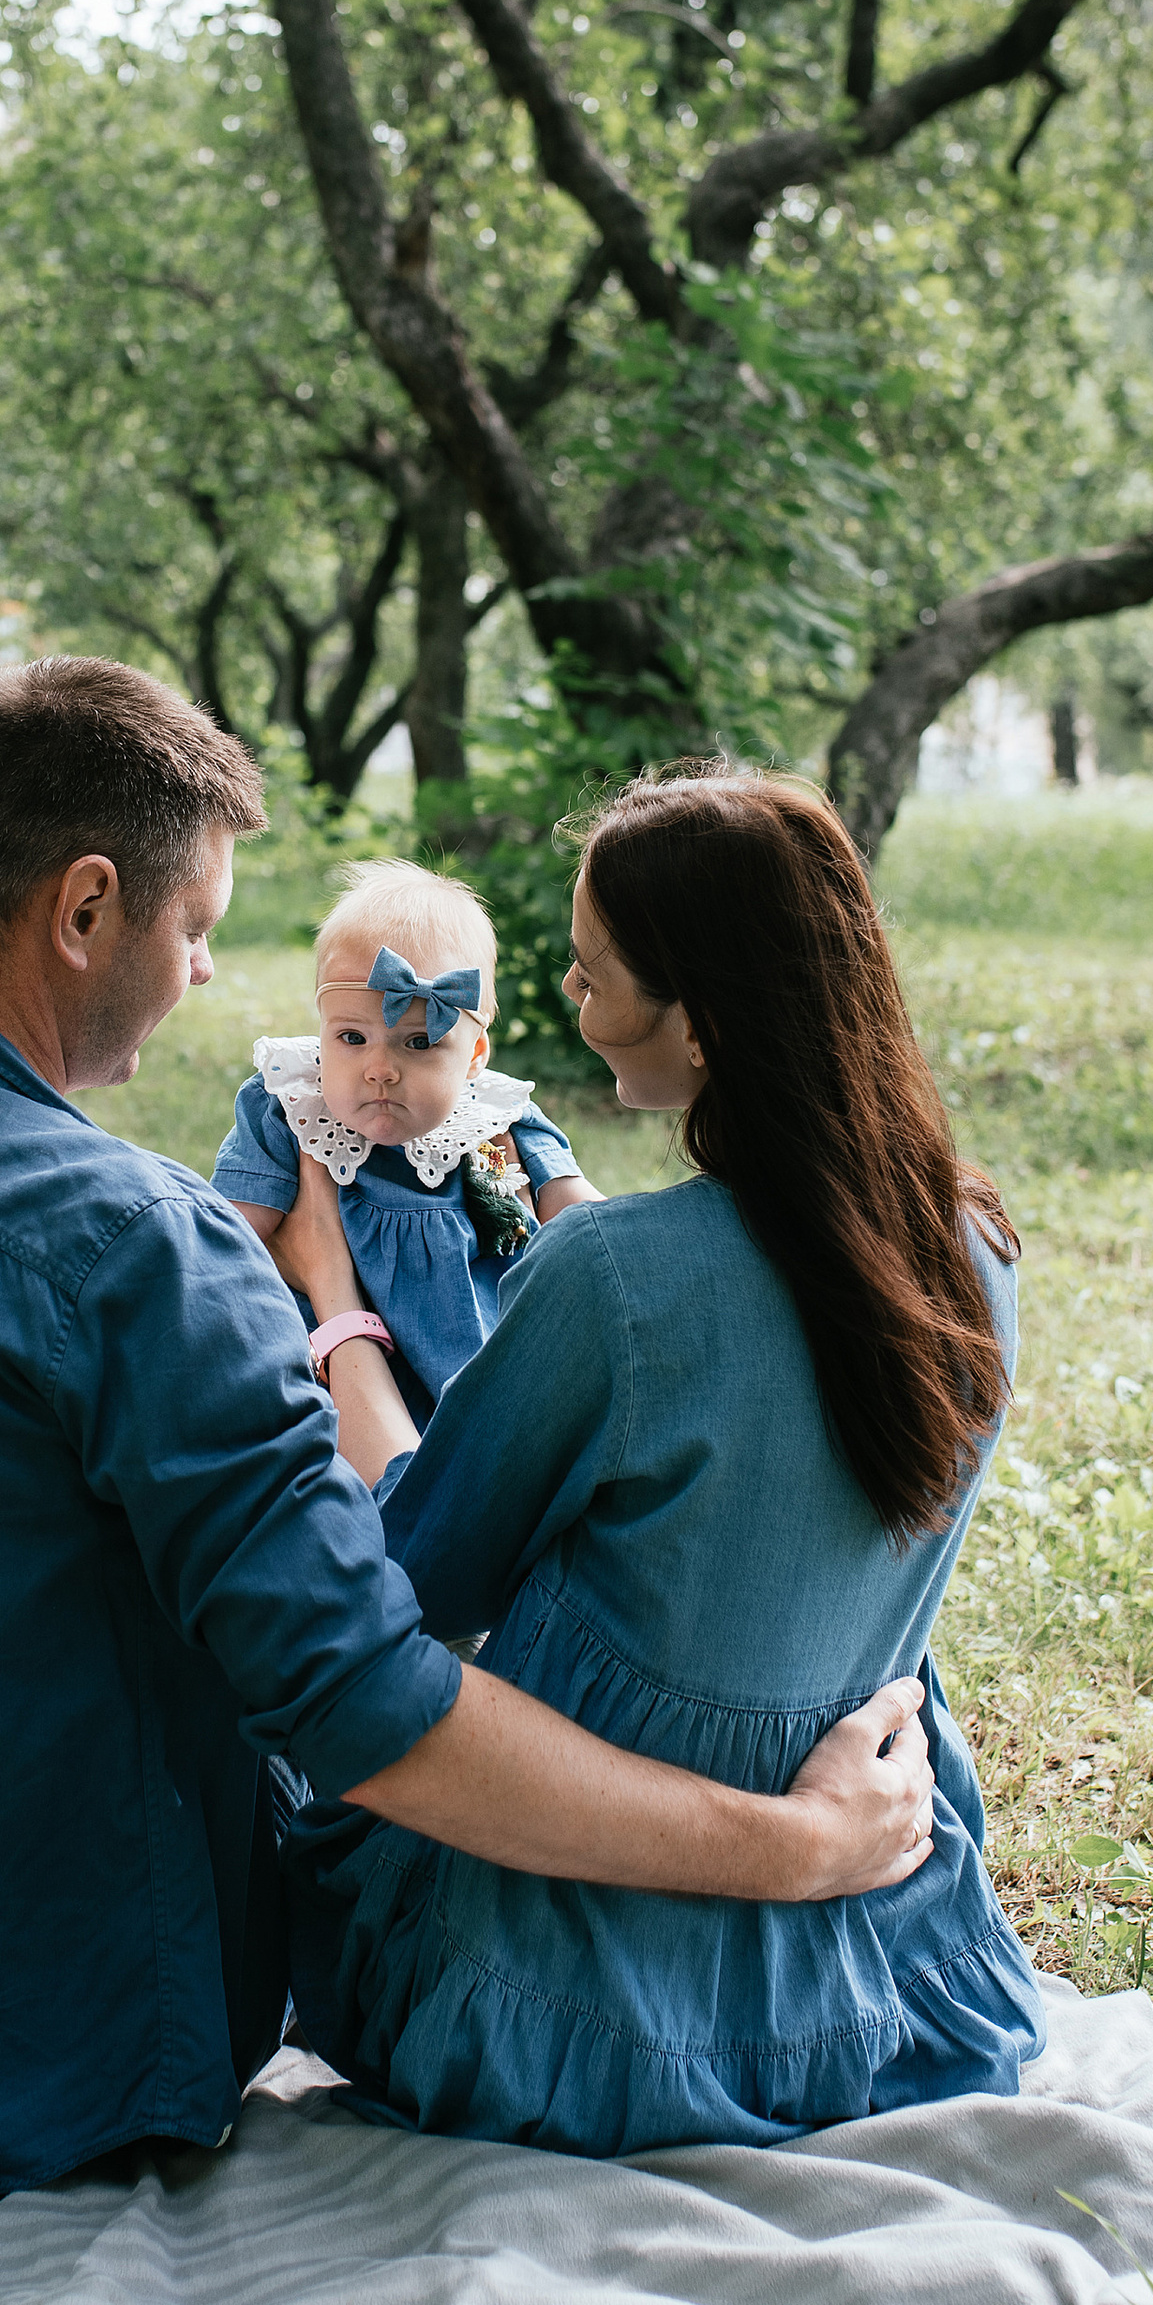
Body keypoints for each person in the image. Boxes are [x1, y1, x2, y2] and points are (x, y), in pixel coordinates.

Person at [0, 661, 944, 2199]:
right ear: (85, 908)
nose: (202, 974)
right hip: (69, 2062)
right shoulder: (142, 1251)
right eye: (196, 928)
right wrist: (799, 1847)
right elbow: (370, 1711)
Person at [277, 763, 1048, 2157]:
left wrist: (336, 1315)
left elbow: (410, 1582)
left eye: (592, 974)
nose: (569, 1000)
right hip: (882, 1977)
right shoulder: (973, 1249)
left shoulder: (615, 1284)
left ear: (698, 1021)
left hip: (570, 2006)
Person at [212, 859, 601, 1418]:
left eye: (418, 1043)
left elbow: (585, 1219)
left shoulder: (497, 1116)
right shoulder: (289, 1106)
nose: (380, 1070)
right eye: (352, 1037)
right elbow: (229, 1236)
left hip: (488, 1378)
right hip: (332, 1383)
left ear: (474, 1056)